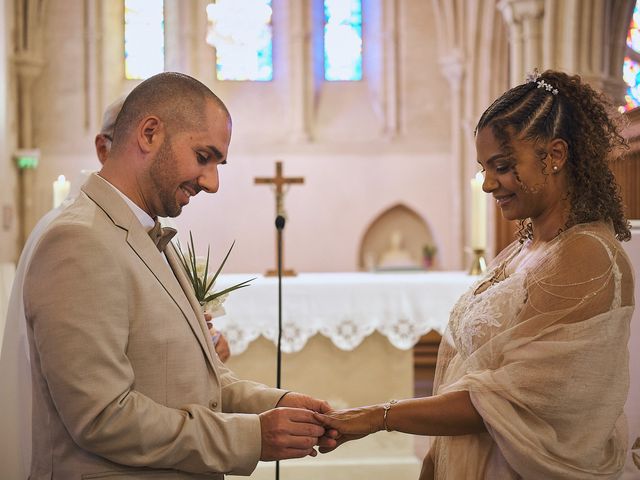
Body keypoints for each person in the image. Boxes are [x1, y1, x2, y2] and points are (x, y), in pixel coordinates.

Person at [315, 69, 635, 479]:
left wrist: (379, 416)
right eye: (484, 168)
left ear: (554, 155)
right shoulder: (524, 249)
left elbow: (509, 400)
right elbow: (465, 367)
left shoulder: (585, 254)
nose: (487, 184)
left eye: (501, 166)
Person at [21, 72, 336, 479]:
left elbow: (189, 380)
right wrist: (251, 436)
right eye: (204, 157)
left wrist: (276, 405)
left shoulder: (148, 236)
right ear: (150, 134)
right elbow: (102, 417)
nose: (213, 183)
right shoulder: (78, 241)